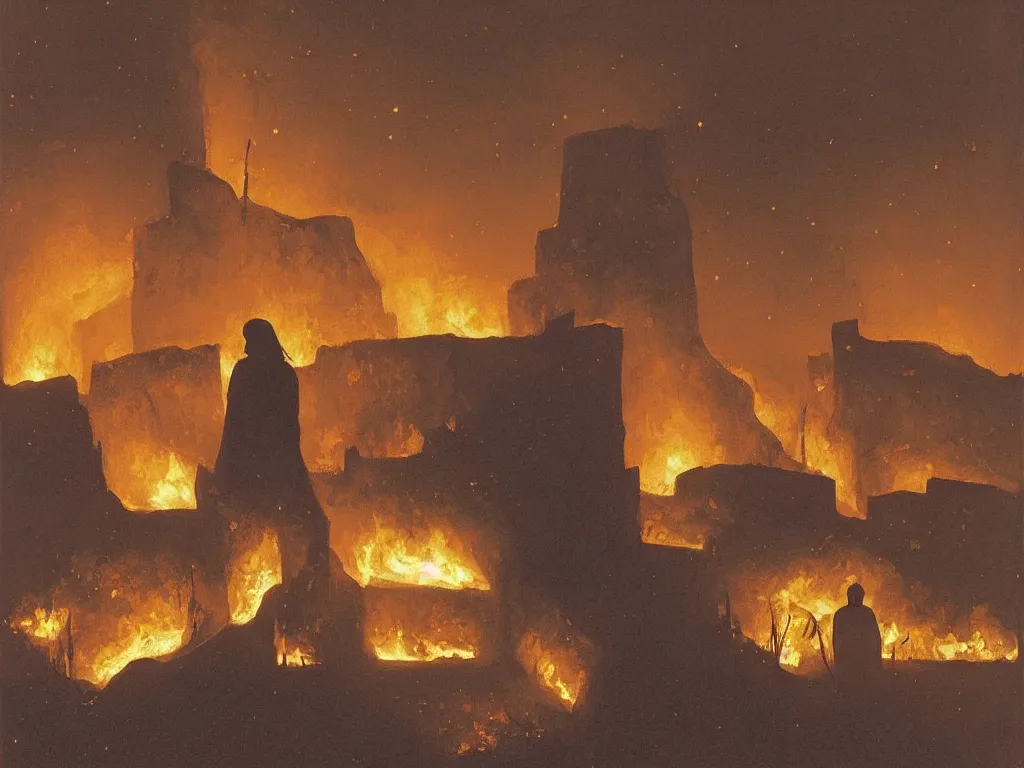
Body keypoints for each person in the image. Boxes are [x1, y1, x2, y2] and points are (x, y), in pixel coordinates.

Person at [214, 318, 330, 590]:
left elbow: (234, 424)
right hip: (275, 463)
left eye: (249, 340)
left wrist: (225, 468)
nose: (245, 347)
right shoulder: (285, 374)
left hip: (260, 463)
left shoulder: (248, 373)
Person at [832, 582, 882, 694]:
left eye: (860, 596)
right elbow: (837, 639)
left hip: (864, 662)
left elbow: (875, 638)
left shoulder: (867, 613)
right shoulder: (841, 614)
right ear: (849, 596)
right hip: (848, 661)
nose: (859, 599)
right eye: (856, 596)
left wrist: (876, 662)